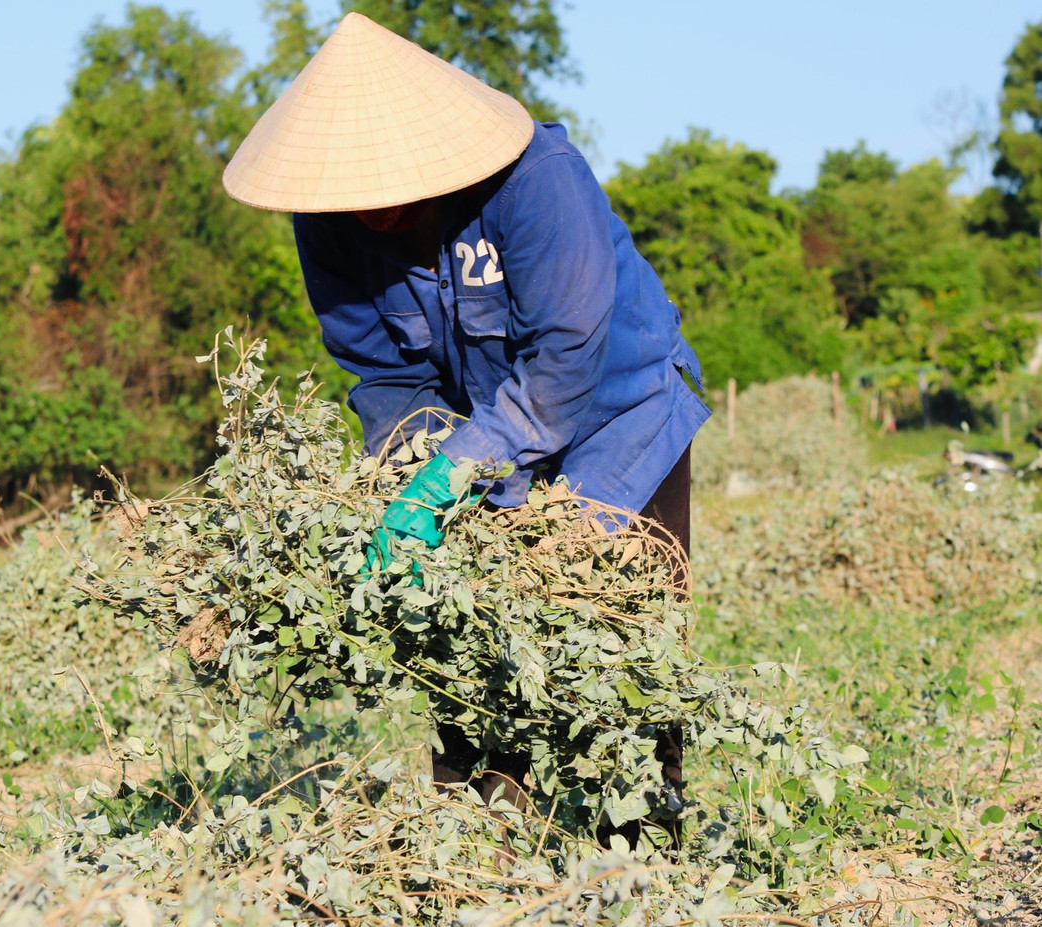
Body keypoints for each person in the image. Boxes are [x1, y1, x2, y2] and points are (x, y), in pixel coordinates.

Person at [221, 11, 709, 843]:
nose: (367, 207)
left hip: (618, 415)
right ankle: (477, 841)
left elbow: (564, 358)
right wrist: (414, 474)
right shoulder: (328, 227)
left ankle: (646, 844)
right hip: (478, 435)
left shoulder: (538, 182)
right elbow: (386, 374)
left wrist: (460, 468)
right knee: (470, 638)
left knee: (625, 641)